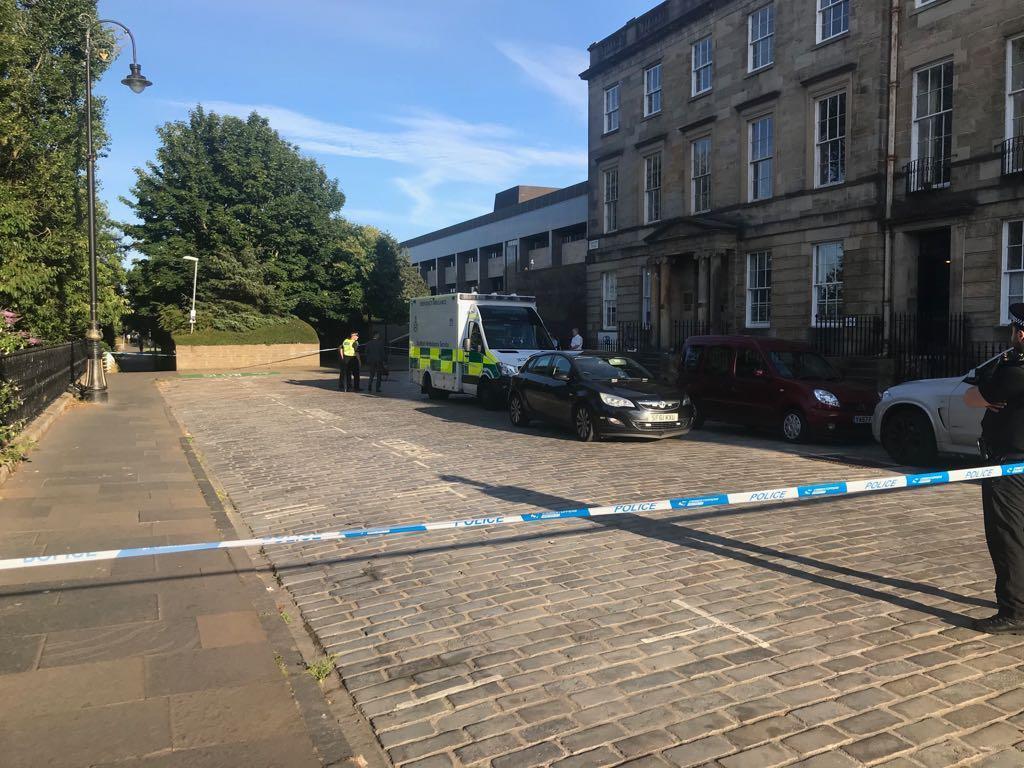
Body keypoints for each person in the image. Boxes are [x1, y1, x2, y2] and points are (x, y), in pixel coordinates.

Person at [964, 303, 1024, 633]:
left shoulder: (1016, 370)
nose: (1016, 334)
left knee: (1007, 537)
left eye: (1017, 330)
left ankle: (1014, 611)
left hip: (1009, 465)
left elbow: (972, 395)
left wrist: (985, 397)